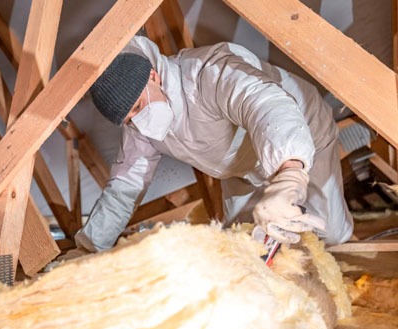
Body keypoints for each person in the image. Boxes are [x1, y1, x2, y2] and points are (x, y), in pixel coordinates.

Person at [66, 35, 353, 260]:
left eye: (138, 107)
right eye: (128, 119)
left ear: (153, 75)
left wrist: (290, 174)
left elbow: (266, 106)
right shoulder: (141, 128)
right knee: (246, 246)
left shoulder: (208, 73)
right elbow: (124, 188)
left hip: (300, 135)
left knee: (329, 233)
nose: (138, 122)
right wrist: (89, 248)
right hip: (240, 168)